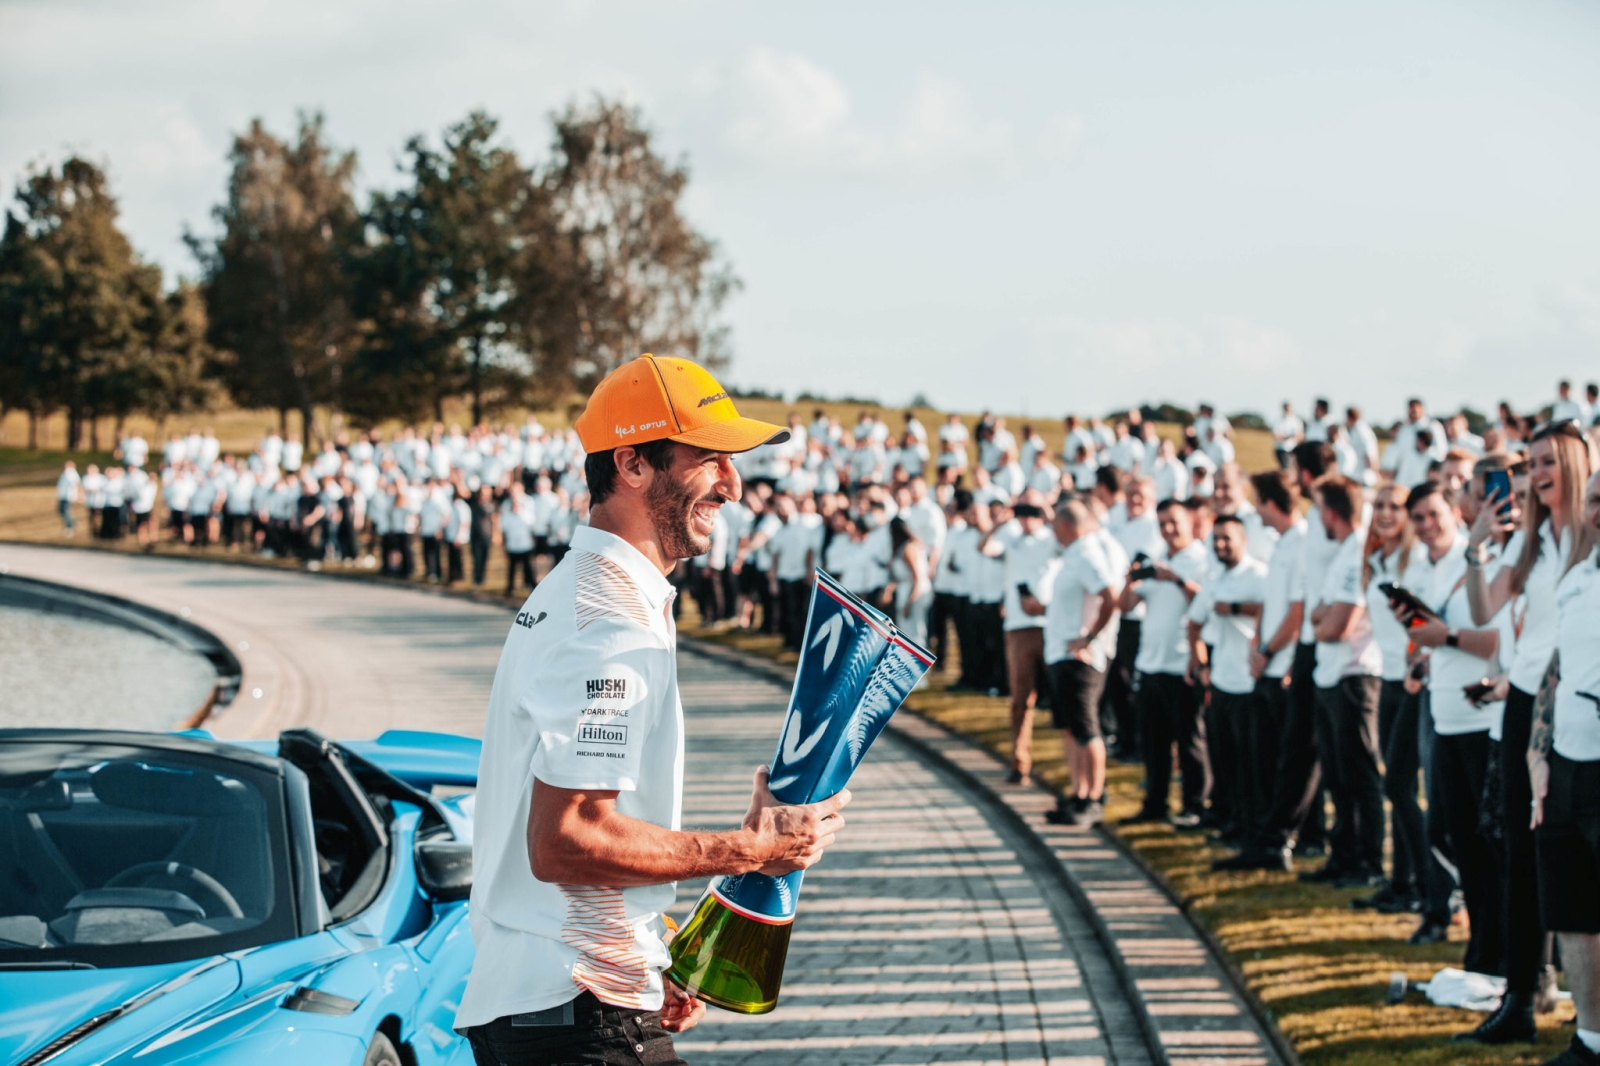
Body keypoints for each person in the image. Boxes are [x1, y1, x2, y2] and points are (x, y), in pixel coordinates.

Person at [456, 355, 849, 1064]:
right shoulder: (610, 618)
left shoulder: (587, 591)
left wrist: (649, 950)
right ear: (632, 464)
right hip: (577, 1014)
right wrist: (754, 849)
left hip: (563, 1003)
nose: (732, 484)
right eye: (709, 458)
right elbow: (566, 839)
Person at [1461, 420, 1595, 1042]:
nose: (1536, 474)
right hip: (1527, 702)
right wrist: (1477, 548)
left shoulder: (1591, 538)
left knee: (1569, 848)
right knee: (1520, 849)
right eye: (1531, 463)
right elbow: (1484, 610)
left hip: (1579, 705)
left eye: (1546, 462)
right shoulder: (1531, 543)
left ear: (1574, 464)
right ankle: (1521, 994)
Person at [1398, 480, 1506, 972]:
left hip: (1484, 720)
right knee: (1451, 835)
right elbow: (1436, 636)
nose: (1426, 525)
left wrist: (1446, 638)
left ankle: (1500, 955)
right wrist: (1423, 654)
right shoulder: (1426, 567)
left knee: (1487, 846)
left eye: (1433, 514)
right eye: (1418, 518)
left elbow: (1497, 642)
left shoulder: (1485, 561)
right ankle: (1480, 950)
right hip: (1444, 714)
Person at [1528, 468, 1600, 1066]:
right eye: (1596, 498)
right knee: (1575, 912)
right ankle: (1591, 1041)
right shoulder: (1576, 579)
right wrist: (1537, 752)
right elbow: (1556, 670)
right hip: (1566, 767)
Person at [1216, 470, 1307, 871]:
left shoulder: (1301, 541)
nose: (1255, 510)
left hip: (1281, 665)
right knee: (1260, 761)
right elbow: (1273, 602)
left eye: (1257, 502)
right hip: (1266, 664)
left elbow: (1297, 611)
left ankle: (1276, 843)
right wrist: (1257, 644)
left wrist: (1269, 650)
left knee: (1280, 763)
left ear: (1270, 503)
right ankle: (1258, 838)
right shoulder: (1282, 542)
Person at [1305, 475, 1386, 888]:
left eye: (1319, 508)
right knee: (1337, 774)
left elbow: (1337, 624)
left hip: (1353, 676)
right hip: (1331, 674)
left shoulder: (1357, 554)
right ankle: (1343, 855)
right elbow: (1319, 612)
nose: (1318, 516)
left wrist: (1322, 623)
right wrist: (1323, 619)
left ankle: (1368, 861)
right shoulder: (1343, 552)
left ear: (1331, 512)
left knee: (1359, 774)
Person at [1351, 482, 1427, 915]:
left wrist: (1416, 660)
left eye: (1394, 507)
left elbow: (1423, 621)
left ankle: (1422, 882)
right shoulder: (1376, 561)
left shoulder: (1415, 561)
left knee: (1399, 785)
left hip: (1412, 682)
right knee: (1396, 786)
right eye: (1379, 505)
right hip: (1388, 678)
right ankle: (1401, 881)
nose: (1385, 513)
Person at [1121, 498, 1211, 825]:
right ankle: (1155, 803)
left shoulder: (1201, 559)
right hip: (1151, 663)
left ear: (1189, 521)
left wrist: (1175, 579)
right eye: (1162, 524)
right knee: (1153, 742)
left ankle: (1194, 805)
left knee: (1189, 741)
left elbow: (1207, 602)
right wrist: (1131, 578)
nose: (1168, 529)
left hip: (1182, 664)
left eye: (1174, 522)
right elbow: (1126, 605)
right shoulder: (1156, 559)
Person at [1187, 514, 1267, 845]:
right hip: (1220, 681)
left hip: (1249, 683)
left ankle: (1252, 826)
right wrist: (1200, 663)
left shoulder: (1259, 575)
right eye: (1216, 538)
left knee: (1251, 763)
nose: (1220, 544)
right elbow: (1194, 622)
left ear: (1243, 540)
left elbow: (1270, 611)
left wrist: (1235, 607)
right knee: (1224, 758)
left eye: (1227, 538)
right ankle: (1229, 819)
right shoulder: (1213, 578)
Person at [980, 492, 1061, 782]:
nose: (1027, 517)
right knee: (1021, 698)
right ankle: (1020, 761)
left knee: (1063, 697)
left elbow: (1069, 542)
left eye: (1032, 510)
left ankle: (1073, 767)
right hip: (1018, 626)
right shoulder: (1010, 538)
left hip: (1050, 624)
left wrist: (1047, 510)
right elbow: (983, 547)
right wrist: (1000, 520)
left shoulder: (1052, 538)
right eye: (1022, 510)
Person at [887, 516, 933, 646]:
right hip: (910, 590)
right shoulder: (913, 545)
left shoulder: (908, 549)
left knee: (913, 631)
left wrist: (909, 603)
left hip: (913, 592)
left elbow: (917, 578)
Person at [55, 461, 80, 535]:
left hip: (68, 496)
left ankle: (70, 526)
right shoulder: (65, 473)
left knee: (66, 511)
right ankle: (73, 522)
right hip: (63, 496)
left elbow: (76, 483)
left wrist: (77, 495)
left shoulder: (70, 473)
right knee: (61, 511)